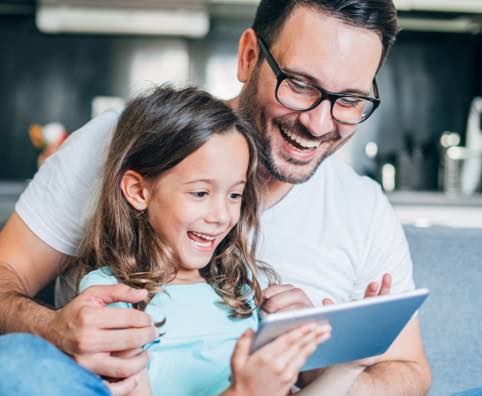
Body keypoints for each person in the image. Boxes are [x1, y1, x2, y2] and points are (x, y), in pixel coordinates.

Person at [0, 1, 482, 395]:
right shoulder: (125, 144)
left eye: (350, 100)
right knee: (9, 370)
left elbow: (407, 372)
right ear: (250, 57)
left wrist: (316, 353)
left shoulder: (360, 206)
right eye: (301, 85)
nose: (321, 123)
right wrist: (57, 329)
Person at [75, 85, 339, 395]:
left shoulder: (238, 289)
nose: (221, 216)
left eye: (234, 195)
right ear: (139, 191)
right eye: (200, 193)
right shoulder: (110, 298)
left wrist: (352, 364)